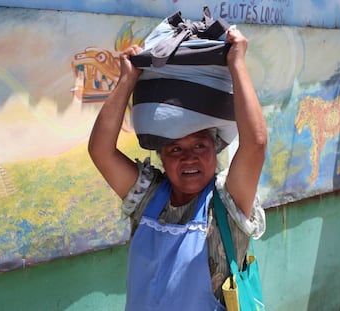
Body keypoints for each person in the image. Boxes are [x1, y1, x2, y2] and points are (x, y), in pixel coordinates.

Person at [88, 26, 267, 311]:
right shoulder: (147, 197)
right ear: (161, 157)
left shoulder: (227, 203)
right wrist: (127, 80)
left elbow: (255, 145)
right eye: (175, 149)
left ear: (215, 149)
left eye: (199, 146)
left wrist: (237, 63)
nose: (189, 158)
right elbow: (101, 151)